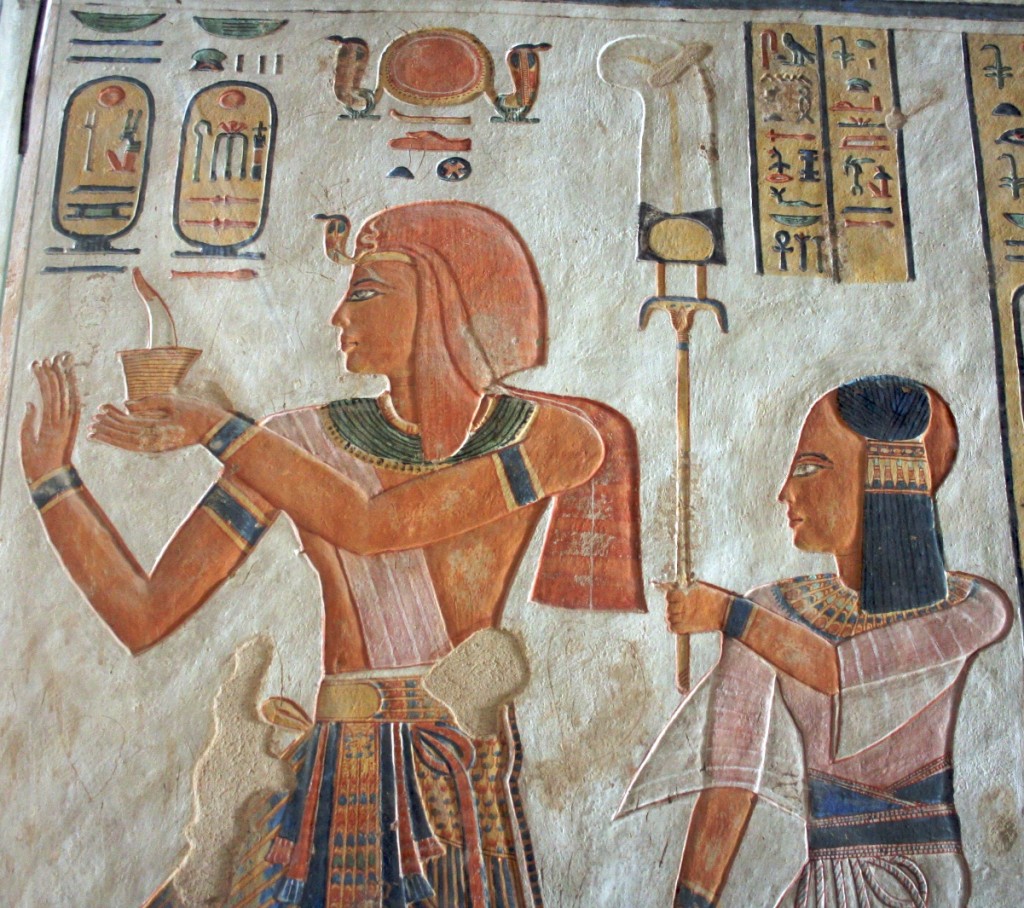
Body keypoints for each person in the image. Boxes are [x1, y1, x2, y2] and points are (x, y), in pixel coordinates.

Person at [21, 201, 645, 908]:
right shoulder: (294, 441)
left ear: (442, 304)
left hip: (451, 767)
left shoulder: (553, 438)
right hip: (338, 767)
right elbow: (144, 612)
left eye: (366, 293)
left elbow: (374, 525)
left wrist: (223, 432)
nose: (338, 316)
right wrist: (52, 480)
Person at [618, 375, 1013, 908]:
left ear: (882, 480)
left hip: (910, 876)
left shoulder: (971, 607)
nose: (786, 492)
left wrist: (729, 614)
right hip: (821, 874)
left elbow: (838, 673)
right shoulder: (772, 611)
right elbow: (730, 781)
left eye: (809, 468)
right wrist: (692, 901)